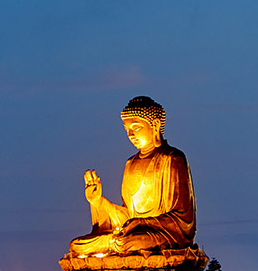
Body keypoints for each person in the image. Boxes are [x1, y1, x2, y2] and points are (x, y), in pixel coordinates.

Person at [69, 96, 196, 257]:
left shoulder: (172, 158)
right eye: (126, 129)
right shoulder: (130, 163)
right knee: (77, 246)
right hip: (133, 233)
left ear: (155, 125)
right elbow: (128, 215)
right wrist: (97, 201)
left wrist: (141, 222)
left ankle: (118, 245)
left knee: (126, 242)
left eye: (136, 128)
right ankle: (116, 244)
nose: (130, 134)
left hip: (162, 235)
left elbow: (182, 220)